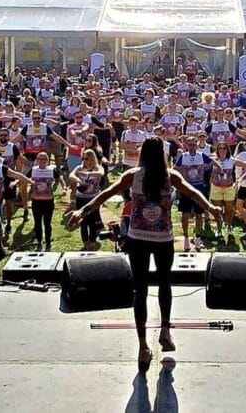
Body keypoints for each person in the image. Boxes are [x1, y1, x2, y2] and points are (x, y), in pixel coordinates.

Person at [68, 137, 222, 371]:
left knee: (140, 290)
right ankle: (165, 331)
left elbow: (107, 193)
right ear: (162, 154)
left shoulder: (133, 175)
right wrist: (210, 208)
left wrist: (83, 209)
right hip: (163, 239)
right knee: (164, 284)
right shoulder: (170, 175)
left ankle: (142, 346)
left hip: (137, 238)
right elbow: (192, 194)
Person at [68, 148, 106, 250]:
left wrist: (88, 174)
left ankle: (93, 240)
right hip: (81, 197)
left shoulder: (98, 168)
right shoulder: (79, 168)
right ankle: (85, 242)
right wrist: (79, 181)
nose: (84, 161)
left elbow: (101, 174)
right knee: (83, 221)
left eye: (87, 159)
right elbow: (71, 175)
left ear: (92, 159)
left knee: (92, 220)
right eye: (83, 158)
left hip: (93, 198)